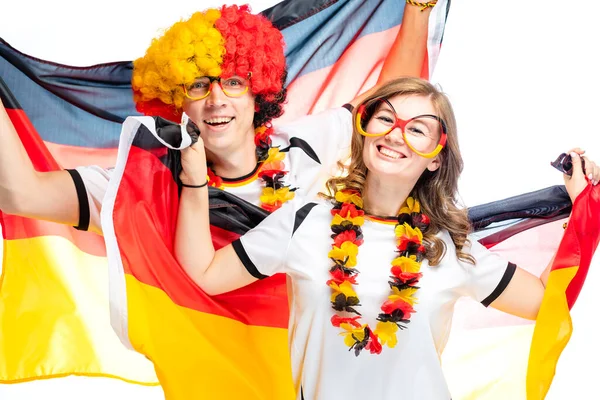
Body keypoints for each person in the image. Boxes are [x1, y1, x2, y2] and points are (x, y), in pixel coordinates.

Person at [173, 77, 600, 399]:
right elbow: (205, 275)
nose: (396, 133)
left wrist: (585, 212)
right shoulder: (303, 221)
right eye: (385, 118)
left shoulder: (449, 247)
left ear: (436, 158)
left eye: (417, 129)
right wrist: (193, 181)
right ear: (365, 132)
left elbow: (545, 301)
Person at [0, 2, 436, 232]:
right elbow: (22, 195)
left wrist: (417, 7)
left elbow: (386, 98)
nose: (215, 99)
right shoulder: (146, 187)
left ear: (258, 91)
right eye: (196, 85)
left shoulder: (304, 147)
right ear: (177, 103)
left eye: (232, 82)